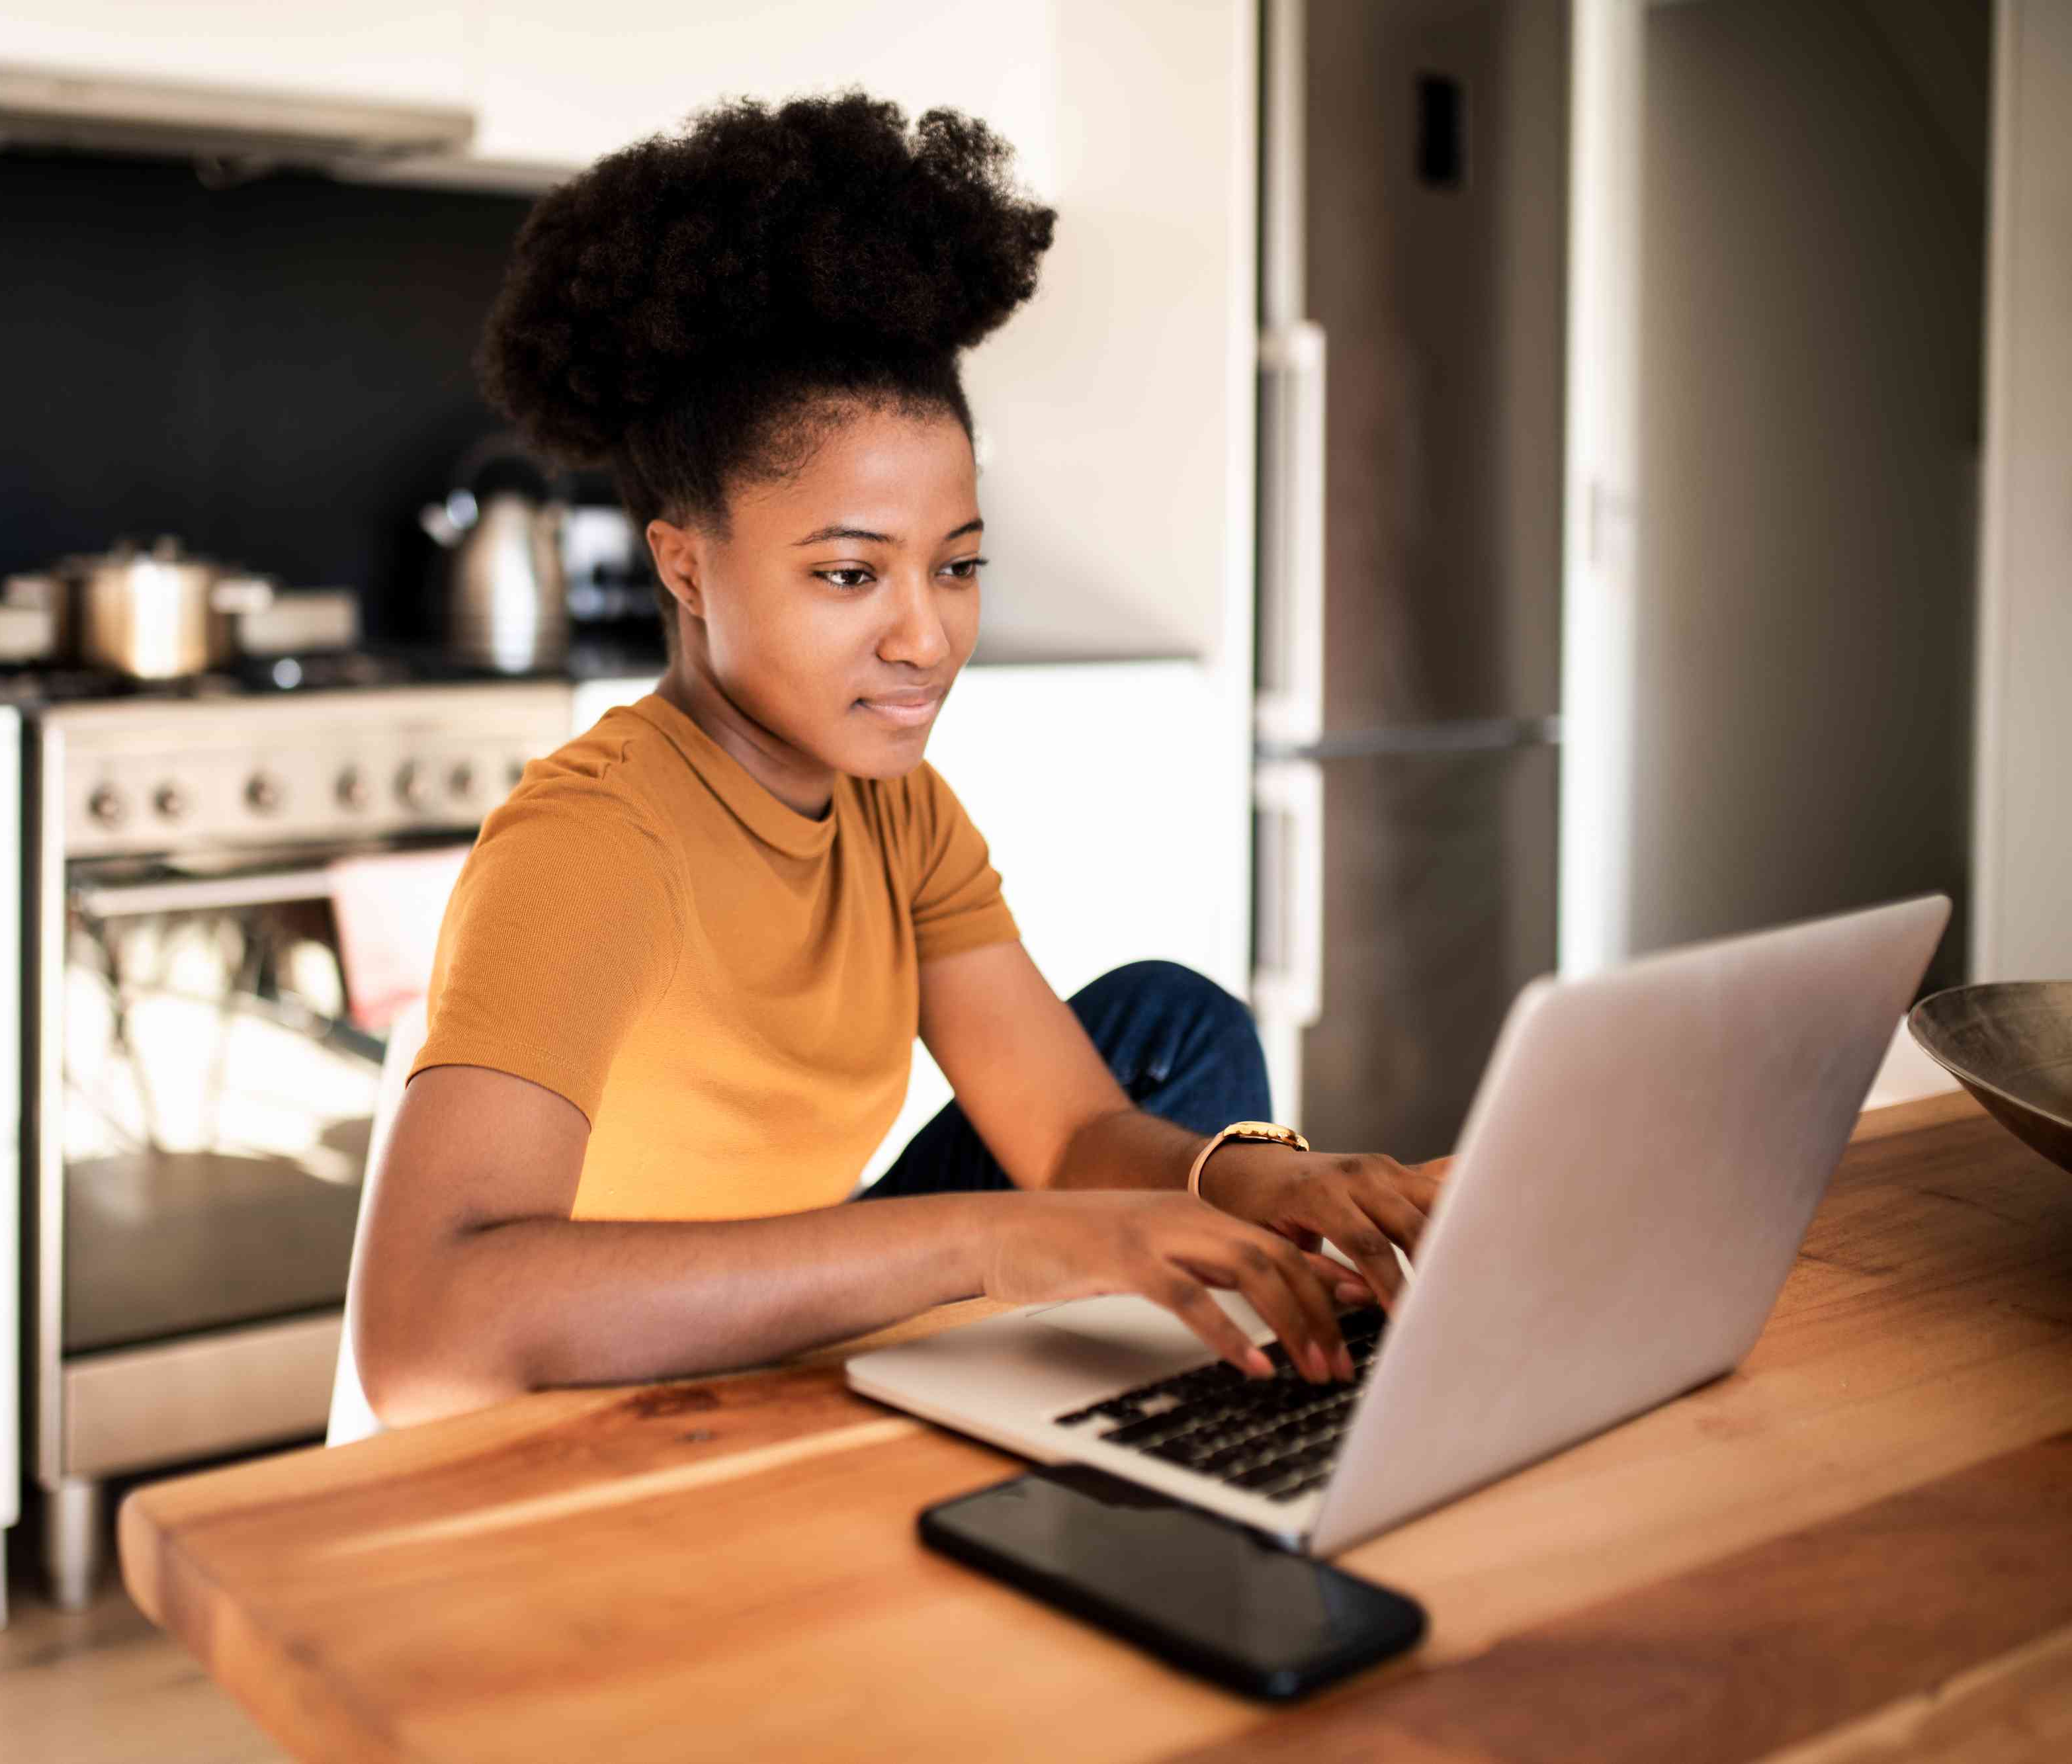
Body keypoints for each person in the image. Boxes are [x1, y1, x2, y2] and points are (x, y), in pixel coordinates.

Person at [355, 92, 1444, 1431]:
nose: (925, 635)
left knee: (1173, 1027)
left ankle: (1174, 1433)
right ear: (684, 563)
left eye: (958, 565)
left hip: (799, 1310)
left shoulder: (896, 809)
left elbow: (1072, 1136)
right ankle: (1122, 1431)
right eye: (849, 572)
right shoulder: (592, 843)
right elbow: (419, 1337)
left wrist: (1258, 1177)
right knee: (1074, 1193)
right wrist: (991, 1244)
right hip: (613, 1392)